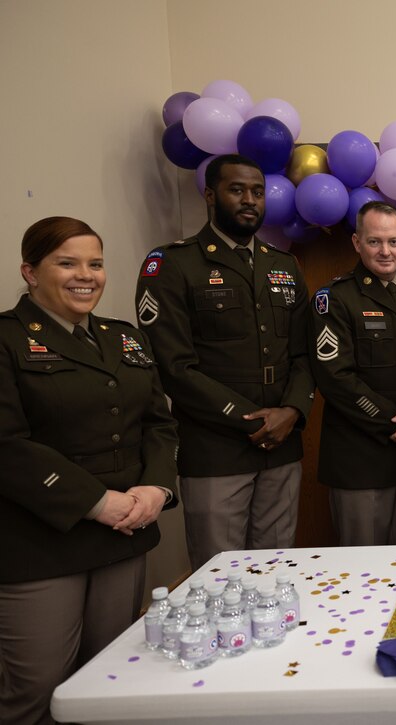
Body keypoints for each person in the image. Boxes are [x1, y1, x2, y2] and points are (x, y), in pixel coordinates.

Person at [1, 217, 178, 724]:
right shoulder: (8, 340)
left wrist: (156, 489)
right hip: (40, 543)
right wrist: (98, 502)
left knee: (108, 675)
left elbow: (159, 425)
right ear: (30, 272)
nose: (87, 275)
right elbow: (7, 445)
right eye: (68, 263)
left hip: (124, 533)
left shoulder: (124, 338)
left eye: (95, 264)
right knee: (36, 687)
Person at [135, 154, 314, 570]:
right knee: (221, 575)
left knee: (276, 572)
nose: (249, 199)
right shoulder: (173, 264)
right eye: (237, 190)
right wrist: (249, 418)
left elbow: (306, 355)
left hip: (282, 447)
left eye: (257, 191)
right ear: (210, 196)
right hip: (215, 450)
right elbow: (173, 366)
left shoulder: (284, 266)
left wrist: (292, 410)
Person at [310, 201, 396, 546]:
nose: (386, 251)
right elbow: (335, 377)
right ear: (357, 243)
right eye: (374, 242)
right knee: (363, 571)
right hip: (360, 462)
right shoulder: (335, 299)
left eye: (393, 241)